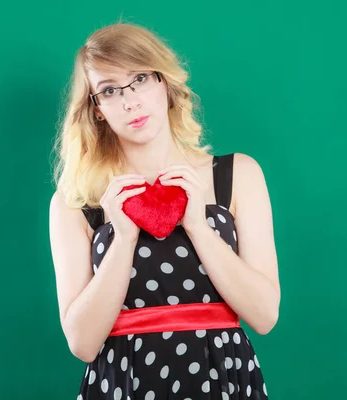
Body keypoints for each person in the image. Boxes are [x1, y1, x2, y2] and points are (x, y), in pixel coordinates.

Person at [49, 22, 280, 400]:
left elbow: (265, 315)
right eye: (109, 91)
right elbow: (83, 344)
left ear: (165, 83)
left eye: (140, 78)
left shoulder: (239, 175)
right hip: (121, 383)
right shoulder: (75, 202)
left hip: (222, 378)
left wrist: (199, 228)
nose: (130, 101)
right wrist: (122, 237)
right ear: (97, 111)